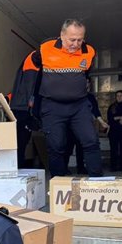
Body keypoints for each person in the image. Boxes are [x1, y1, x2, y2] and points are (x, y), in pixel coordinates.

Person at [26, 19, 103, 177]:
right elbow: (31, 69)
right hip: (52, 106)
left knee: (91, 141)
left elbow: (85, 74)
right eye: (72, 39)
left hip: (79, 106)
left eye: (80, 40)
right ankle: (58, 184)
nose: (76, 44)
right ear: (62, 35)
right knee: (56, 146)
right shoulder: (45, 48)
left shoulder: (89, 51)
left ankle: (97, 182)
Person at [65, 85, 108, 174]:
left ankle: (81, 168)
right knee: (68, 148)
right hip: (70, 126)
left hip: (82, 126)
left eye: (88, 83)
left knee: (81, 148)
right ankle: (64, 167)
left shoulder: (90, 97)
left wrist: (101, 121)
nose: (86, 85)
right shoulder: (73, 95)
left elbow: (95, 110)